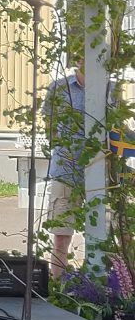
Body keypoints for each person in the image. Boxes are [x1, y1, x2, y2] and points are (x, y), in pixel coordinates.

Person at [42, 62, 115, 278]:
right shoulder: (59, 88)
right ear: (77, 60)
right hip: (66, 171)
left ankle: (98, 288)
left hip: (101, 172)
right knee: (61, 236)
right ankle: (58, 289)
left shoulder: (111, 89)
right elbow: (50, 126)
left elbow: (118, 129)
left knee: (103, 235)